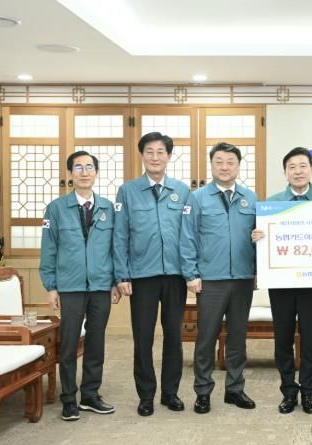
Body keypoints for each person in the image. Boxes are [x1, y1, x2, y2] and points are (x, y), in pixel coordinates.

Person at [252, 147, 312, 414]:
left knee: (311, 340)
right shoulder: (271, 204)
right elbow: (261, 245)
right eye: (292, 167)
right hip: (282, 285)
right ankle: (288, 392)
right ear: (285, 172)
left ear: (311, 169)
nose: (298, 171)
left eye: (302, 166)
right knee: (283, 340)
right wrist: (256, 237)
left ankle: (309, 392)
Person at [113, 132, 190, 416]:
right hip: (141, 276)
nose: (155, 157)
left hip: (175, 275)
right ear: (142, 155)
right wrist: (122, 275)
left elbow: (189, 234)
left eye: (160, 152)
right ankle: (146, 396)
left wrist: (191, 271)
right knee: (143, 337)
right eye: (149, 151)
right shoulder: (127, 191)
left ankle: (170, 393)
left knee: (174, 337)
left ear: (169, 156)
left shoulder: (182, 190)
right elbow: (120, 235)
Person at [40, 151, 120, 421]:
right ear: (70, 173)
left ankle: (90, 395)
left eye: (89, 167)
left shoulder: (108, 208)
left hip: (100, 286)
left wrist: (115, 281)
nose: (84, 172)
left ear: (96, 172)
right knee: (69, 343)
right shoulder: (55, 209)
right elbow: (49, 249)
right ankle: (68, 399)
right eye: (78, 167)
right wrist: (51, 287)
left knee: (96, 342)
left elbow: (116, 248)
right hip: (70, 286)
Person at [180, 142, 258, 414]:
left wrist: (258, 270)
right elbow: (187, 238)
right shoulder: (197, 198)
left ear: (238, 166)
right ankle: (203, 392)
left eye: (230, 162)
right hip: (210, 281)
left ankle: (235, 390)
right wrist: (191, 274)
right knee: (206, 338)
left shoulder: (251, 198)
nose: (225, 167)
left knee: (237, 338)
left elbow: (259, 238)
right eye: (219, 162)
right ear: (212, 165)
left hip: (242, 279)